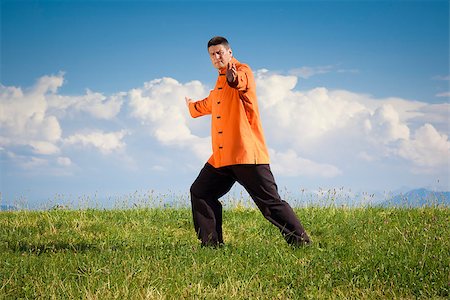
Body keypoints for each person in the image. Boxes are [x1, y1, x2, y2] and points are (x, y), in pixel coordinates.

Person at [185, 36, 310, 247]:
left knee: (269, 204)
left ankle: (301, 242)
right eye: (212, 55)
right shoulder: (218, 86)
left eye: (220, 53)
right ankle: (211, 245)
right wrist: (191, 107)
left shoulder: (243, 71)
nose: (216, 57)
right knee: (200, 192)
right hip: (222, 157)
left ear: (229, 53)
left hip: (246, 154)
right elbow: (210, 104)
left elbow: (240, 82)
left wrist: (233, 79)